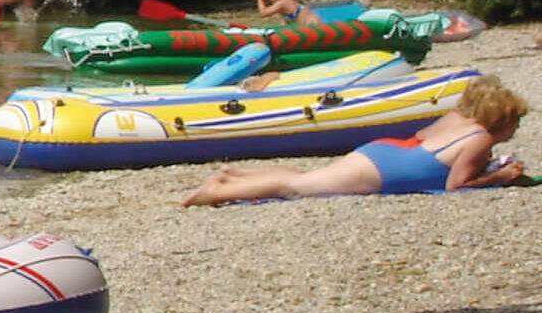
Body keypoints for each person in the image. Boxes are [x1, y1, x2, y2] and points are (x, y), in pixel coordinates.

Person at [182, 75, 528, 206]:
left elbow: (428, 142)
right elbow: (457, 184)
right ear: (504, 120)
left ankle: (234, 178)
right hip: (386, 168)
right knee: (297, 188)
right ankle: (217, 191)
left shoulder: (458, 119)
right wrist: (500, 176)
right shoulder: (480, 138)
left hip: (389, 151)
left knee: (305, 177)